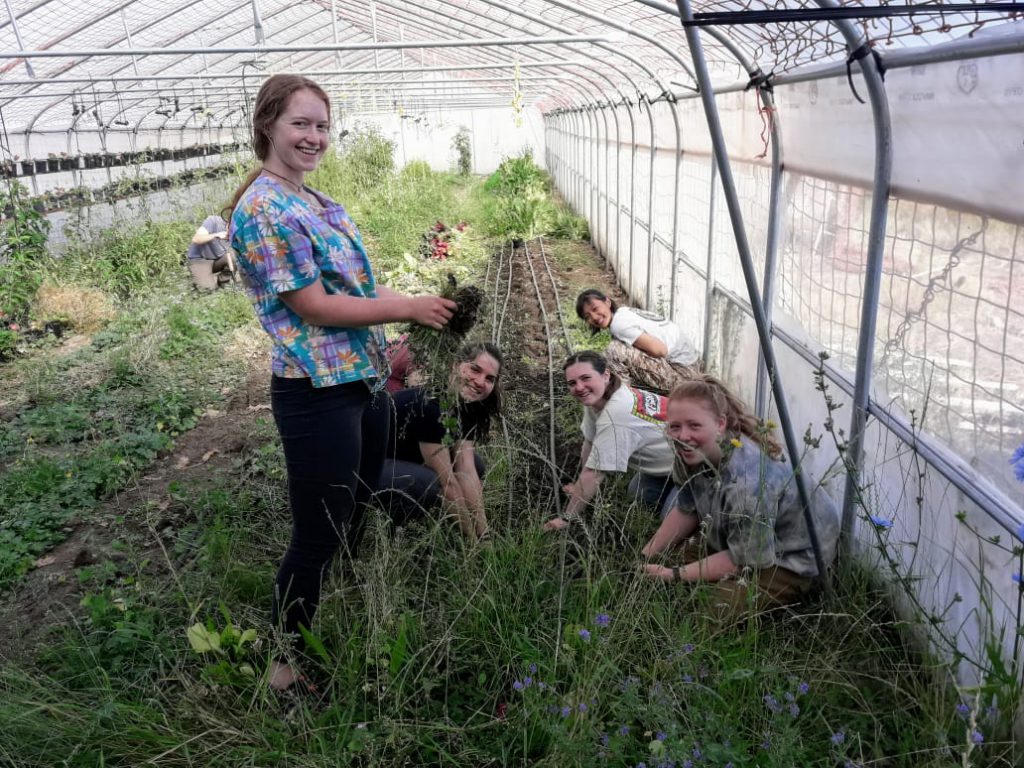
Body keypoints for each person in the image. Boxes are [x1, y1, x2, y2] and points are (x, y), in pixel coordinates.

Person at [226, 74, 457, 693]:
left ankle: (343, 598)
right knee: (316, 532)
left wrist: (414, 301)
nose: (314, 136)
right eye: (300, 123)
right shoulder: (266, 209)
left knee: (355, 499)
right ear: (268, 125)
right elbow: (314, 306)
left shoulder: (315, 201)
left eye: (322, 125)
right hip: (316, 392)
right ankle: (282, 666)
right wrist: (405, 309)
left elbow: (354, 291)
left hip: (362, 380)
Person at [640, 375, 840, 620]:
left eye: (694, 425)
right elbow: (686, 508)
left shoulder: (747, 480)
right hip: (739, 536)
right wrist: (646, 556)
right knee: (667, 567)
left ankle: (796, 593)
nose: (683, 436)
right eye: (675, 426)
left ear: (721, 424)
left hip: (791, 558)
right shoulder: (692, 451)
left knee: (710, 614)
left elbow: (745, 557)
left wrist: (675, 574)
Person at [379, 342, 502, 542]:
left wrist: (485, 536)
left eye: (489, 379)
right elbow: (448, 484)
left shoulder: (468, 405)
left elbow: (466, 469)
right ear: (455, 365)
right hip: (365, 468)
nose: (480, 381)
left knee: (476, 465)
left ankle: (445, 526)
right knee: (430, 482)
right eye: (475, 369)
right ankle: (397, 534)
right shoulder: (431, 404)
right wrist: (472, 544)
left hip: (402, 461)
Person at [544, 350, 676, 532]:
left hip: (694, 468)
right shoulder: (602, 397)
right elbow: (590, 443)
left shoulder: (616, 413)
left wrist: (567, 518)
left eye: (585, 378)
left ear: (606, 375)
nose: (579, 387)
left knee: (672, 521)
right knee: (637, 494)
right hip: (667, 467)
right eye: (572, 383)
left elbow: (594, 473)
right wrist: (578, 487)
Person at [575, 288, 699, 392]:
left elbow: (660, 350)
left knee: (613, 351)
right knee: (622, 351)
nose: (594, 317)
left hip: (683, 377)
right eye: (588, 317)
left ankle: (624, 398)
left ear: (607, 302)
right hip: (693, 365)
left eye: (595, 309)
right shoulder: (623, 312)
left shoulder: (619, 325)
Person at [186, 214, 236, 290]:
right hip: (199, 260)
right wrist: (216, 235)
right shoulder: (213, 221)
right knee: (207, 290)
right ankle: (203, 279)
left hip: (217, 259)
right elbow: (196, 239)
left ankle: (224, 283)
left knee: (236, 257)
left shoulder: (237, 233)